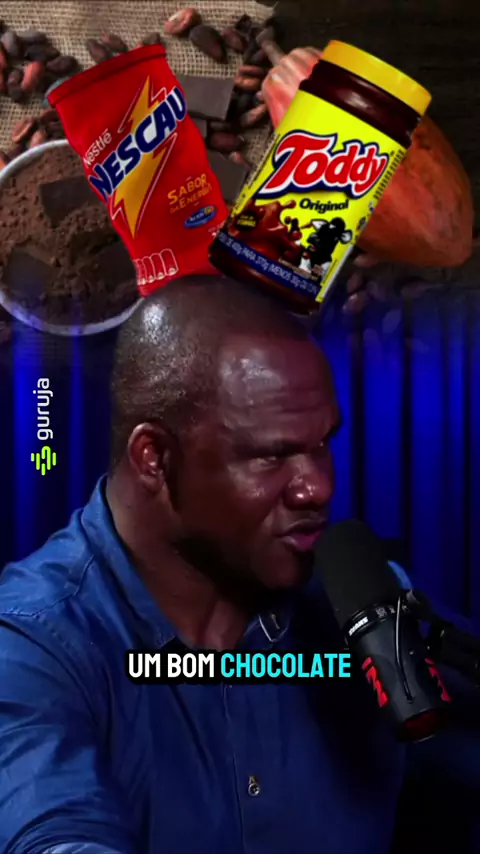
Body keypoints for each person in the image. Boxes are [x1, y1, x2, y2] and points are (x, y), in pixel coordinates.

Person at [0, 275, 470, 854]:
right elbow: (50, 832)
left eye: (323, 444)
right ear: (155, 458)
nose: (318, 488)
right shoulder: (32, 645)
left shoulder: (360, 608)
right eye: (272, 455)